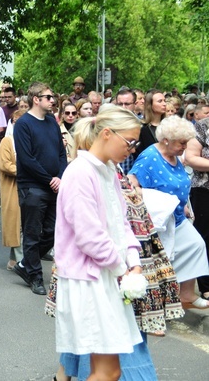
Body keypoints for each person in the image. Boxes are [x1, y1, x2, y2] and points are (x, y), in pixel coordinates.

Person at [54, 106, 146, 381]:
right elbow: (88, 236)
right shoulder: (80, 172)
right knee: (108, 372)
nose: (132, 149)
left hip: (105, 276)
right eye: (129, 142)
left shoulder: (108, 170)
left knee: (107, 371)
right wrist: (122, 269)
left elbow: (122, 222)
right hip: (89, 280)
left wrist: (134, 262)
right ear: (107, 133)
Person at [129, 115, 209, 309]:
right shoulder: (150, 156)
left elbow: (179, 184)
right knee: (162, 259)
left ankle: (187, 293)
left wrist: (184, 203)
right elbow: (132, 181)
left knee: (196, 245)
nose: (184, 147)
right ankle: (154, 300)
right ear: (166, 140)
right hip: (159, 218)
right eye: (181, 143)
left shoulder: (173, 155)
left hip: (178, 215)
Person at [13, 82, 68, 296]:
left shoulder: (52, 123)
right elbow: (26, 159)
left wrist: (60, 177)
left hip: (54, 186)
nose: (53, 100)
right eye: (48, 97)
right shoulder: (24, 124)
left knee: (54, 231)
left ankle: (25, 263)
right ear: (36, 99)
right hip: (33, 187)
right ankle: (35, 275)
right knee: (33, 232)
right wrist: (49, 179)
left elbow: (61, 153)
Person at [185, 115, 209, 301]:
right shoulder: (202, 126)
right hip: (204, 189)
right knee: (204, 237)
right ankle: (206, 285)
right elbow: (191, 158)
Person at [0, 109, 25, 270]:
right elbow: (5, 164)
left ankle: (14, 260)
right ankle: (22, 262)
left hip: (27, 186)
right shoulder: (7, 142)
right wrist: (27, 170)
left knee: (24, 224)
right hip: (12, 187)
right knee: (16, 224)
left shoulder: (29, 140)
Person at [133, 89, 166, 160]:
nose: (164, 104)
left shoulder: (169, 126)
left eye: (164, 101)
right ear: (150, 105)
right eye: (160, 101)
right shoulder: (142, 128)